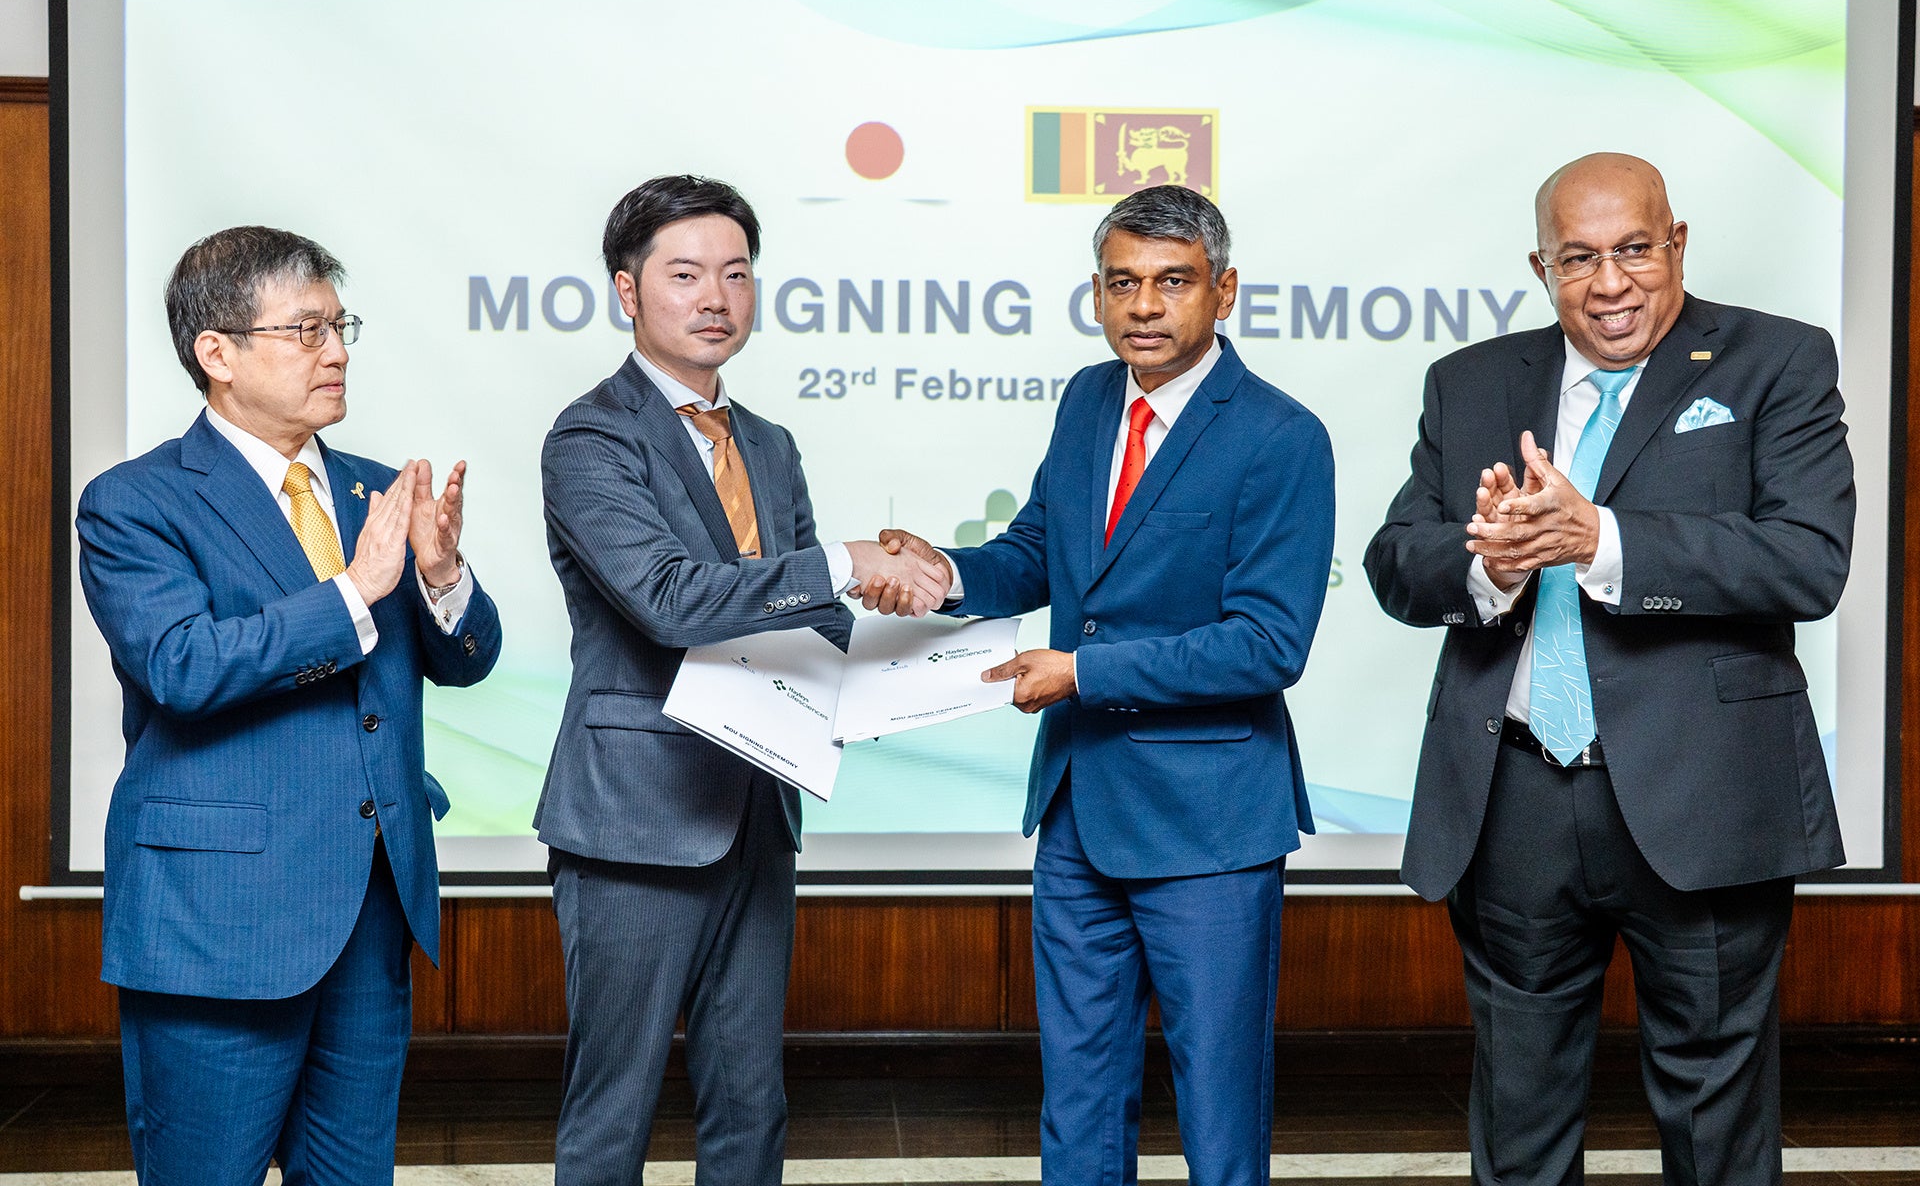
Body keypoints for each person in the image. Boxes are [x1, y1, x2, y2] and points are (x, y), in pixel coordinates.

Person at [1364, 152, 1853, 1185]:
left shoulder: (1777, 360)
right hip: (1514, 801)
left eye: (1635, 249)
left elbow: (1809, 560)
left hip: (1704, 796)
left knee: (1716, 1125)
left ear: (1678, 244)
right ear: (1539, 267)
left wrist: (1604, 540)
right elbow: (1396, 561)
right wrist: (1489, 563)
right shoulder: (1471, 380)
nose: (1611, 282)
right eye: (1578, 258)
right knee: (1519, 1120)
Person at [878, 184, 1335, 1186]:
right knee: (1078, 1101)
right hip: (1079, 810)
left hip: (1211, 823)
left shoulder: (1282, 435)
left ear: (1224, 291)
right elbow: (1039, 550)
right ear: (1096, 293)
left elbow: (1267, 644)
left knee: (1219, 1113)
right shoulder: (1089, 399)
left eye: (1173, 282)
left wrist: (1082, 672)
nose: (1145, 306)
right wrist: (943, 572)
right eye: (1122, 283)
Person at [536, 174, 942, 1184]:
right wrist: (843, 561)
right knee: (613, 1111)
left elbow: (815, 617)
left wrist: (915, 634)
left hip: (759, 806)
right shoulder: (590, 437)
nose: (716, 297)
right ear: (627, 290)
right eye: (685, 275)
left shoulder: (768, 443)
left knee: (752, 1103)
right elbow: (670, 599)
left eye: (736, 274)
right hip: (636, 819)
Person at [75, 226, 502, 1185]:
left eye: (340, 326)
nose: (336, 350)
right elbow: (182, 667)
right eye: (306, 330)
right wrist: (355, 592)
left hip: (370, 910)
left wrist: (441, 577)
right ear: (216, 353)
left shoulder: (373, 491)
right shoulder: (135, 501)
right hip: (220, 919)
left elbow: (467, 662)